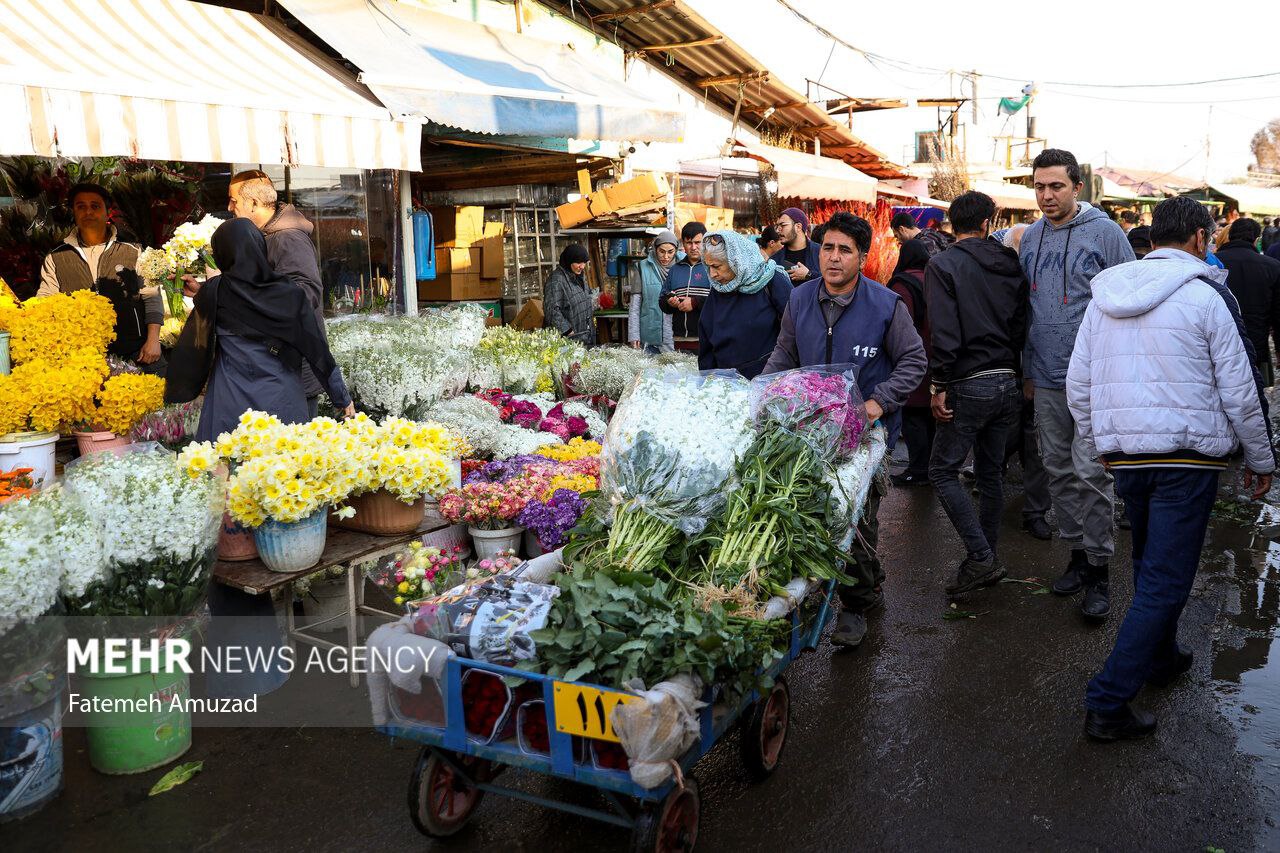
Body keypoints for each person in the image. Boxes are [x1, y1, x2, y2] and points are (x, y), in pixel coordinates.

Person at [1066, 195, 1274, 741]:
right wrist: (1260, 457)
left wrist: (1100, 444)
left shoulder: (1106, 296)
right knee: (1166, 577)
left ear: (1154, 236)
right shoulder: (1208, 296)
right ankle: (1108, 701)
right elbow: (1241, 386)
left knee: (1150, 565)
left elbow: (1077, 384)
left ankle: (1161, 658)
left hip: (1129, 456)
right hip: (1187, 458)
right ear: (1201, 240)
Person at [763, 212, 928, 648]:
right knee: (814, 511)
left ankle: (855, 605)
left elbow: (914, 360)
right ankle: (866, 581)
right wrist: (761, 395)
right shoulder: (799, 300)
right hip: (812, 429)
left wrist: (877, 403)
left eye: (845, 250)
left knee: (855, 518)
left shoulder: (885, 304)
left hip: (867, 435)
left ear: (862, 256)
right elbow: (784, 353)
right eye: (828, 248)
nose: (833, 258)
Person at [1020, 148, 1135, 621]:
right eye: (1040, 187)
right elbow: (1027, 309)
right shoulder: (1030, 237)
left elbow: (1130, 301)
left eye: (1057, 187)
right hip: (1045, 378)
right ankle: (1076, 558)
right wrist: (1027, 370)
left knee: (1092, 473)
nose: (1047, 196)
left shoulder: (1106, 235)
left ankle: (1100, 570)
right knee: (1058, 470)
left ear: (1077, 188)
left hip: (1093, 378)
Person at [924, 191, 1029, 594]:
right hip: (1007, 379)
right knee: (989, 473)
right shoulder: (1010, 262)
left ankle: (981, 556)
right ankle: (987, 555)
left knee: (942, 470)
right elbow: (1021, 324)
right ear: (988, 222)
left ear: (953, 223)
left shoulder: (943, 263)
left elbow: (945, 333)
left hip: (970, 381)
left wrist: (940, 384)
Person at [174, 218, 354, 442]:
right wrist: (341, 397)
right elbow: (316, 349)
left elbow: (196, 344)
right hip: (280, 399)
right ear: (260, 247)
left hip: (229, 400)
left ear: (221, 254)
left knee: (226, 469)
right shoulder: (289, 294)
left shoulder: (214, 291)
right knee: (280, 468)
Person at [228, 170, 328, 416]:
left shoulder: (287, 238)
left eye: (234, 200)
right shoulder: (266, 236)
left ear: (253, 203)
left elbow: (307, 294)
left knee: (294, 449)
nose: (229, 207)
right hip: (279, 369)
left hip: (293, 368)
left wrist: (254, 299)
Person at [39, 182, 164, 374]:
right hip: (80, 358)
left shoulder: (133, 251)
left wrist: (153, 339)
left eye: (95, 206)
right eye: (81, 206)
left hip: (134, 351)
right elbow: (45, 303)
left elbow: (152, 296)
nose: (88, 212)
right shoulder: (56, 257)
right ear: (74, 212)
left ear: (108, 212)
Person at [697, 230, 792, 379]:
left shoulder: (771, 281)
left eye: (717, 266)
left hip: (768, 379)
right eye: (708, 266)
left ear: (736, 262)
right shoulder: (718, 289)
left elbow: (793, 332)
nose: (712, 274)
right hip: (727, 383)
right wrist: (708, 381)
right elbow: (706, 340)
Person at [887, 239, 934, 487]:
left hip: (912, 356)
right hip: (937, 355)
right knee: (930, 416)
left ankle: (918, 469)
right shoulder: (934, 277)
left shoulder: (902, 284)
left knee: (913, 417)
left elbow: (899, 325)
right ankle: (931, 468)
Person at [1217, 218, 1280, 386]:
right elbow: (1277, 316)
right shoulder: (1272, 266)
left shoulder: (1213, 263)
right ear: (1256, 239)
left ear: (1229, 235)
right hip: (1255, 342)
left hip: (1218, 342)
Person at [660, 222, 710, 349]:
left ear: (705, 242)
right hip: (680, 340)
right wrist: (669, 302)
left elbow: (722, 300)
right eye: (689, 242)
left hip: (708, 339)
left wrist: (695, 302)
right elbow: (662, 300)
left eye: (697, 242)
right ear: (683, 243)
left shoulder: (713, 267)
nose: (693, 247)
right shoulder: (675, 269)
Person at [628, 231, 678, 353]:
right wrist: (634, 334)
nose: (666, 257)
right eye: (662, 251)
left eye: (670, 252)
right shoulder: (642, 267)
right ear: (655, 249)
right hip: (650, 336)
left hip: (676, 336)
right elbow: (635, 306)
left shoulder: (684, 266)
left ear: (676, 250)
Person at [542, 243, 596, 347]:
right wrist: (567, 331)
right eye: (578, 262)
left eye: (584, 262)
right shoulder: (556, 280)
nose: (582, 266)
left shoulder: (578, 276)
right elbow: (551, 311)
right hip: (567, 341)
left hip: (582, 336)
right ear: (569, 260)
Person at [771, 207, 822, 283]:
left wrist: (809, 275)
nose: (778, 230)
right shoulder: (775, 260)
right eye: (777, 226)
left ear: (798, 227)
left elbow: (834, 280)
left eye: (783, 225)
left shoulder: (820, 252)